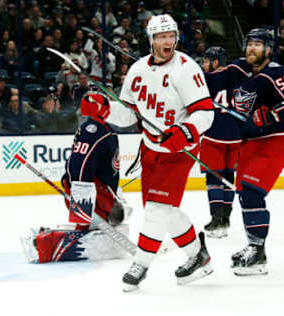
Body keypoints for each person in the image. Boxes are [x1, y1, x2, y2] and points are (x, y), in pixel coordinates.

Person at [94, 14, 215, 291]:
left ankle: (141, 264)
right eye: (161, 37)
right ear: (151, 40)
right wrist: (103, 108)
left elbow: (205, 112)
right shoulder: (137, 70)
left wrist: (185, 131)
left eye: (171, 35)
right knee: (164, 210)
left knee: (158, 209)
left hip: (179, 151)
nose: (167, 41)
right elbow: (127, 115)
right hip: (150, 149)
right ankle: (199, 256)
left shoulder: (186, 68)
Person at [20, 90, 132, 263]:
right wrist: (80, 194)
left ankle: (49, 236)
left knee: (119, 217)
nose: (110, 108)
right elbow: (79, 163)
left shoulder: (97, 128)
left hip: (96, 190)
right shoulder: (93, 129)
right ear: (99, 108)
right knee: (94, 228)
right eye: (106, 105)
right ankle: (45, 243)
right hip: (91, 192)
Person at [230, 28, 284, 276]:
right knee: (244, 194)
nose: (252, 48)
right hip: (250, 142)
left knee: (251, 189)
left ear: (268, 49)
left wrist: (270, 114)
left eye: (258, 45)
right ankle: (253, 243)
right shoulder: (240, 74)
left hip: (276, 138)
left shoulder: (275, 71)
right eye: (249, 44)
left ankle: (258, 253)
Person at [200, 46, 242, 238]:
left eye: (207, 61)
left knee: (214, 179)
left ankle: (217, 220)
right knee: (228, 178)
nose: (203, 64)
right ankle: (225, 220)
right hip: (236, 136)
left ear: (216, 61)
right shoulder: (237, 74)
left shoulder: (206, 79)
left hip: (214, 135)